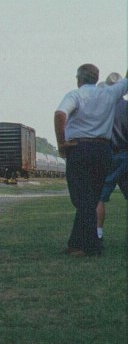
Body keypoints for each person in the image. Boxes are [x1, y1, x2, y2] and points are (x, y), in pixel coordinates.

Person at [53, 63, 128, 256]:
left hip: (79, 148)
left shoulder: (75, 95)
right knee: (91, 197)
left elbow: (60, 114)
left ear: (79, 79)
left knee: (81, 198)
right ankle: (75, 243)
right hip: (103, 149)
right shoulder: (110, 94)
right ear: (96, 78)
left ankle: (91, 247)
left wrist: (61, 143)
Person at [96, 73, 128, 247]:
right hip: (126, 154)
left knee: (100, 196)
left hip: (109, 154)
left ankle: (98, 234)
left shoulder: (103, 107)